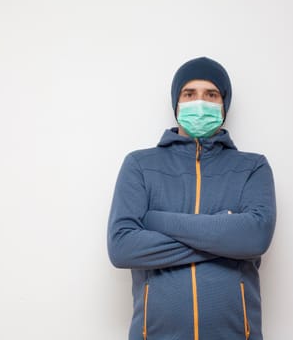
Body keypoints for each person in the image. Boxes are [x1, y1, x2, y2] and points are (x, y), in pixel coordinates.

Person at [107, 57, 277, 340]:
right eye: (190, 94)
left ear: (224, 103)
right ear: (176, 103)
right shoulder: (140, 165)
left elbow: (255, 238)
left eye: (211, 94)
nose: (200, 102)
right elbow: (122, 247)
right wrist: (224, 236)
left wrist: (155, 219)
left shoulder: (253, 167)